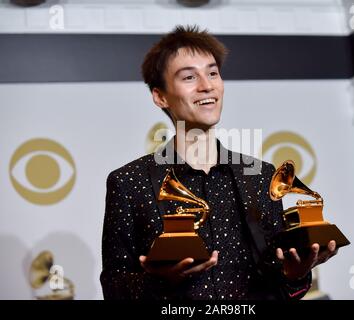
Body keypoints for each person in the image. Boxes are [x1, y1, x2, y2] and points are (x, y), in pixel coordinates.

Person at [100, 25, 338, 300]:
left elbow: (282, 288)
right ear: (160, 96)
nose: (207, 85)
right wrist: (160, 282)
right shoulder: (128, 182)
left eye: (212, 73)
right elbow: (114, 289)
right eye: (189, 77)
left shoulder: (262, 176)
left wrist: (296, 274)